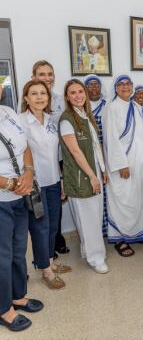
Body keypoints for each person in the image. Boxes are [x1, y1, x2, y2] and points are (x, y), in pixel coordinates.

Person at [19, 80, 71, 290]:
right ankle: (45, 270)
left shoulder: (51, 120)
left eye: (43, 93)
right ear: (26, 98)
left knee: (52, 226)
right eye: (34, 93)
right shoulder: (21, 122)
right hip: (35, 185)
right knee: (40, 227)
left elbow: (56, 153)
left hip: (53, 180)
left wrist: (61, 179)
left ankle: (49, 260)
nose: (39, 97)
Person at [0, 105, 43, 332]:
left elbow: (24, 147)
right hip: (2, 198)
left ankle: (17, 296)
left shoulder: (8, 112)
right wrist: (9, 183)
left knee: (18, 249)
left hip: (20, 194)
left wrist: (28, 172)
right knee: (2, 256)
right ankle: (3, 309)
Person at [59, 79, 109, 274]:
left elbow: (96, 146)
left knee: (94, 217)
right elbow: (75, 151)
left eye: (80, 91)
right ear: (67, 97)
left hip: (94, 171)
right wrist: (93, 176)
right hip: (82, 175)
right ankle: (95, 258)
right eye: (73, 93)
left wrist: (103, 170)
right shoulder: (67, 120)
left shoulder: (86, 115)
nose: (78, 95)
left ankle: (89, 252)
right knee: (87, 220)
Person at [103, 75, 143, 256]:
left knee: (139, 198)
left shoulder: (136, 107)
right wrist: (121, 165)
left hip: (140, 162)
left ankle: (139, 231)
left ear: (132, 86)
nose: (125, 87)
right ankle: (120, 238)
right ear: (116, 88)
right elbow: (111, 139)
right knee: (123, 200)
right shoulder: (111, 108)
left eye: (128, 84)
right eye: (121, 84)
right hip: (123, 164)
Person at [30, 60, 69, 256]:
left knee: (56, 203)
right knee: (41, 207)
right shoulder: (29, 102)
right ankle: (45, 251)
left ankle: (56, 239)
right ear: (33, 77)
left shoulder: (61, 99)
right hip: (38, 161)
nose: (47, 78)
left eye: (50, 74)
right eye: (42, 74)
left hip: (59, 156)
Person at [84, 75, 108, 237]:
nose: (94, 88)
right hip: (88, 155)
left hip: (106, 153)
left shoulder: (107, 105)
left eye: (96, 84)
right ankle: (95, 233)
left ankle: (108, 230)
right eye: (90, 85)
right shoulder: (82, 107)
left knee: (108, 194)